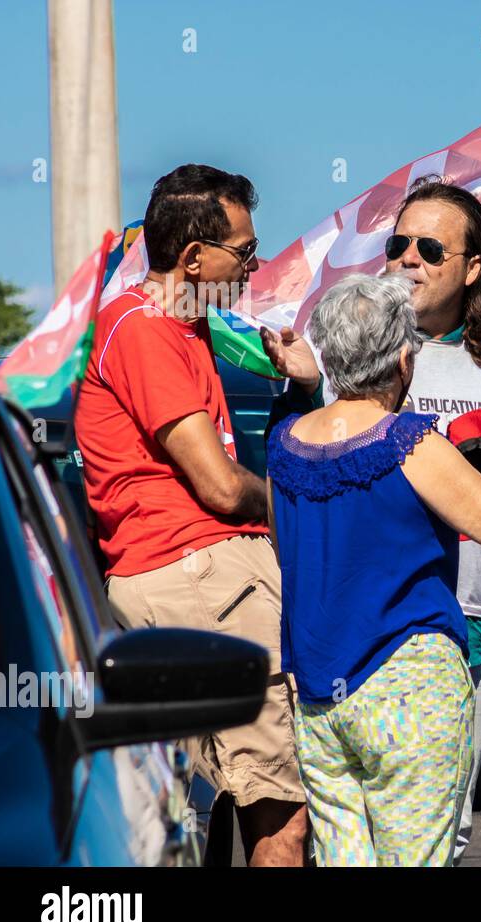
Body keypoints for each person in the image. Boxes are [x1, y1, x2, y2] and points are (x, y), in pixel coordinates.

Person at [266, 273, 481, 865]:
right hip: (410, 683)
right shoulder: (406, 439)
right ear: (404, 358)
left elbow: (285, 542)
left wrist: (301, 387)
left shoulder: (286, 442)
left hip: (319, 693)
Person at [74, 164, 308, 866]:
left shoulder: (183, 328)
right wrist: (290, 503)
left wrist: (300, 389)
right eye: (244, 251)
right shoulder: (144, 330)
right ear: (192, 257)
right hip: (202, 579)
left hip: (197, 581)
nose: (256, 264)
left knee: (201, 822)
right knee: (283, 819)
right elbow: (218, 486)